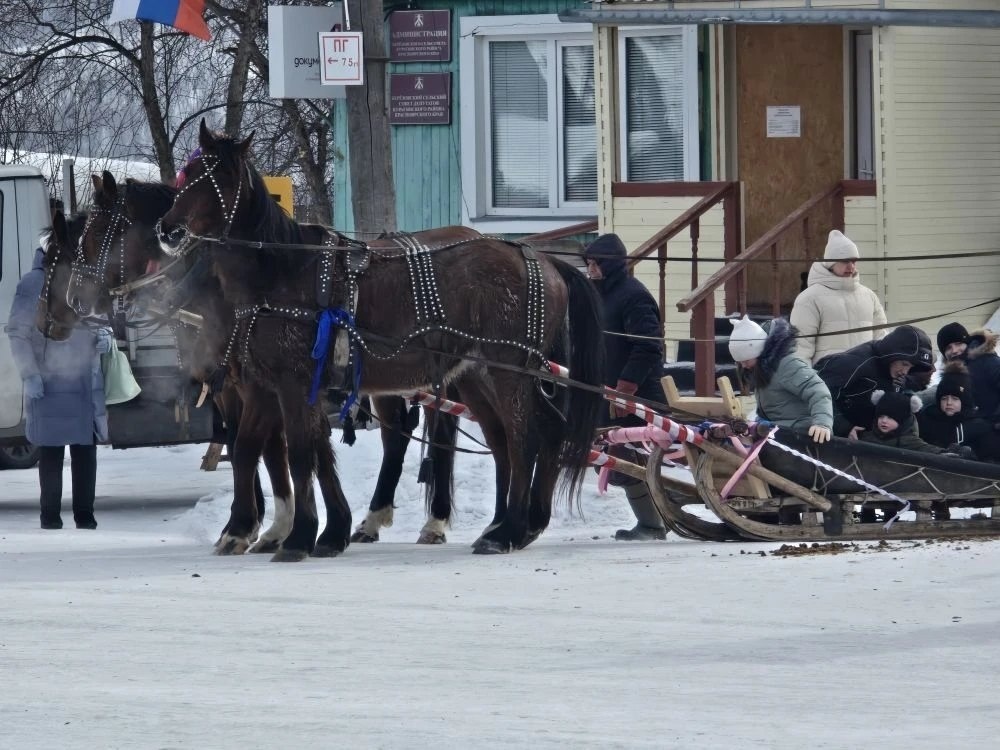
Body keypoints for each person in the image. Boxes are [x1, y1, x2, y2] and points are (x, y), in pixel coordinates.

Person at [5, 246, 111, 529]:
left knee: (85, 450)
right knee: (51, 451)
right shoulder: (34, 282)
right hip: (48, 380)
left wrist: (105, 337)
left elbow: (100, 319)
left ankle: (85, 516)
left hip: (83, 380)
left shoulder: (84, 277)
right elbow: (17, 331)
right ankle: (50, 516)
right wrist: (29, 373)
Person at [584, 233, 668, 541]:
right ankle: (653, 521)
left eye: (596, 264)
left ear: (612, 265)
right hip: (608, 396)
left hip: (637, 397)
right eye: (589, 264)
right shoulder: (600, 297)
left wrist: (625, 389)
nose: (591, 270)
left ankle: (653, 524)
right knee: (614, 462)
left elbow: (648, 347)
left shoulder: (634, 296)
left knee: (626, 462)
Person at [814, 324, 934, 438]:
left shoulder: (896, 372)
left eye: (911, 367)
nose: (905, 372)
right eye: (904, 364)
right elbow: (819, 392)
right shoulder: (856, 362)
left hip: (868, 434)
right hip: (830, 432)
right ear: (892, 354)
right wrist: (843, 427)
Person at [789, 229, 888, 365]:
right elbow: (800, 349)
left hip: (866, 375)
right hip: (825, 376)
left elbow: (882, 339)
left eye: (854, 261)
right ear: (831, 263)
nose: (851, 266)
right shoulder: (809, 299)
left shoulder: (869, 296)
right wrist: (806, 378)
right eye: (845, 261)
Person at [728, 315, 832, 442]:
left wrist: (822, 423)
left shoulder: (787, 365)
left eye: (746, 361)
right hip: (778, 430)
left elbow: (817, 390)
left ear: (758, 352)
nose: (743, 366)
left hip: (801, 434)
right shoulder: (760, 369)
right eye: (740, 363)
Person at [917, 361, 1000, 461]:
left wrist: (970, 455)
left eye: (955, 399)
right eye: (944, 398)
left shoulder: (979, 427)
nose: (949, 403)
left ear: (965, 401)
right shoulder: (927, 419)